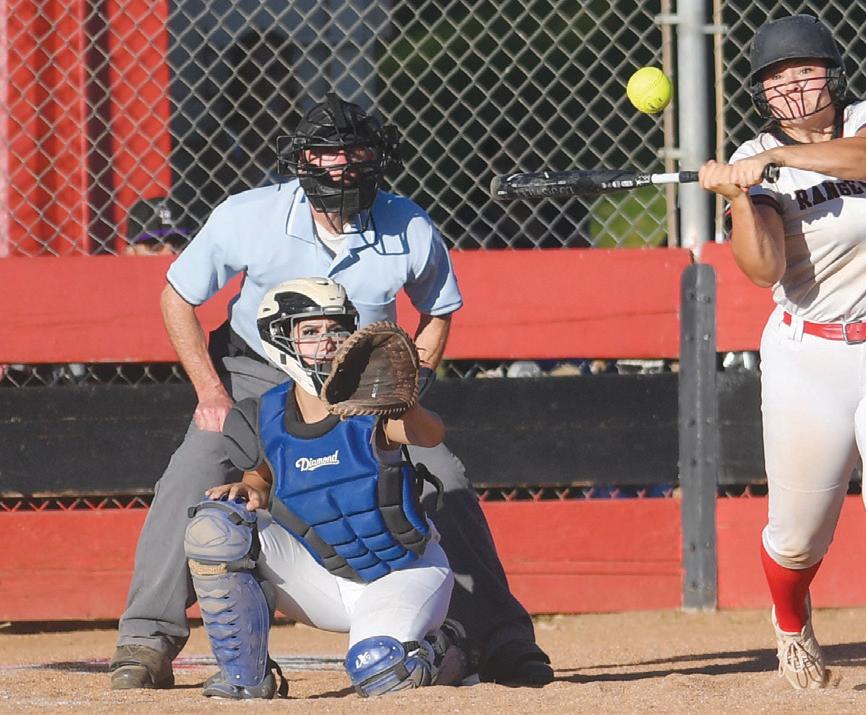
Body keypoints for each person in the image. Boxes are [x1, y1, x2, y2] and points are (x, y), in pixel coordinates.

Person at [110, 93, 552, 690]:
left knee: (444, 476)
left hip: (359, 383)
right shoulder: (249, 215)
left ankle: (502, 639)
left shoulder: (408, 223)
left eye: (356, 153)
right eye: (326, 153)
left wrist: (410, 383)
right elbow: (177, 296)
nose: (341, 165)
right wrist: (211, 392)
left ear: (378, 158)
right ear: (302, 159)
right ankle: (146, 638)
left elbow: (439, 308)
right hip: (256, 372)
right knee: (195, 469)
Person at [699, 15, 866, 693]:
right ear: (761, 93)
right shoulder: (755, 156)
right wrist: (741, 198)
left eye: (804, 71)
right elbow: (762, 268)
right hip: (808, 359)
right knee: (797, 538)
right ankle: (790, 622)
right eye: (775, 78)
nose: (791, 86)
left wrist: (779, 163)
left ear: (833, 76)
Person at [185, 277, 463, 698]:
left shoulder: (372, 398)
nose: (328, 340)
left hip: (401, 572)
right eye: (311, 331)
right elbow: (262, 476)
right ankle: (245, 678)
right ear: (280, 339)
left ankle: (448, 650)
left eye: (336, 328)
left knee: (382, 670)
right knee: (215, 529)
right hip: (322, 577)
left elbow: (430, 435)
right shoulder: (267, 412)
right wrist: (249, 488)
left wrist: (405, 404)